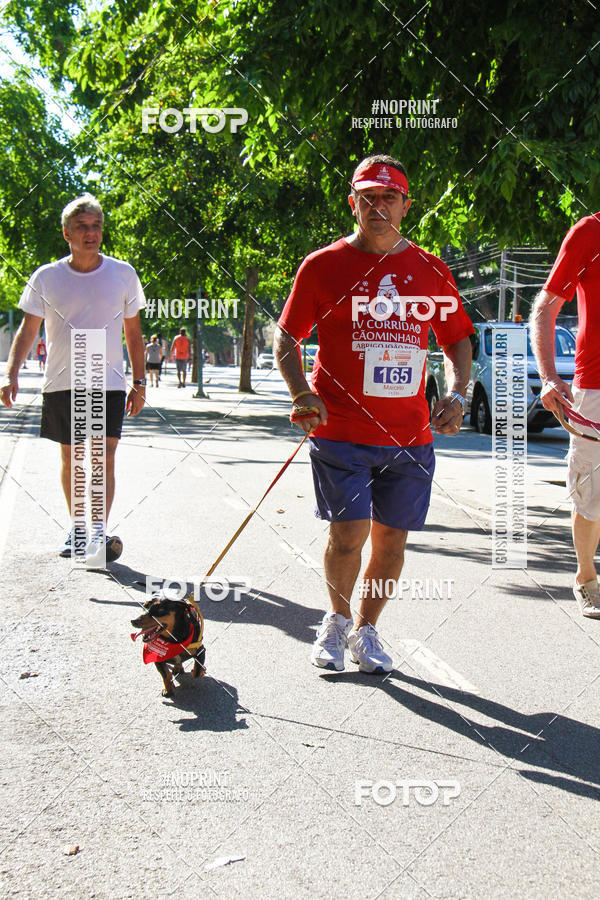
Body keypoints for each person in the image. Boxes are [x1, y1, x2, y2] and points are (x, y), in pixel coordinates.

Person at [275, 154, 473, 674]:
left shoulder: (431, 269)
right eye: (368, 197)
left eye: (389, 197)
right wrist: (301, 393)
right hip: (341, 429)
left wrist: (456, 395)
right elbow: (287, 337)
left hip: (409, 436)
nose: (378, 205)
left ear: (406, 206)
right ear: (353, 204)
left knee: (391, 544)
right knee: (348, 534)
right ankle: (337, 621)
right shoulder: (322, 266)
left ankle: (366, 631)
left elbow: (456, 340)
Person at [0, 193, 146, 561]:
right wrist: (10, 373)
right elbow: (28, 330)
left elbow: (133, 333)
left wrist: (140, 381)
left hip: (108, 381)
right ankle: (78, 527)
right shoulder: (46, 277)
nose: (90, 233)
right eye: (82, 227)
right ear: (66, 233)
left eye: (96, 226)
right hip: (63, 380)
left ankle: (97, 531)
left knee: (104, 456)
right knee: (73, 456)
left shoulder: (123, 274)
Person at [530, 212, 600, 619]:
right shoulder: (590, 232)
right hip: (595, 390)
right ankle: (586, 577)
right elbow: (545, 309)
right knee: (590, 494)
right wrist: (549, 377)